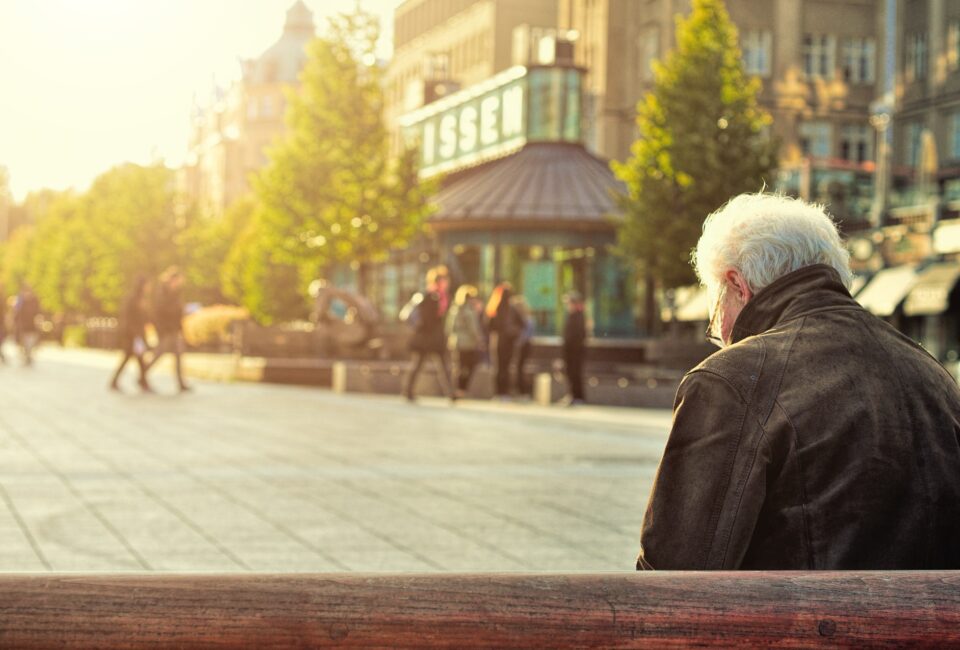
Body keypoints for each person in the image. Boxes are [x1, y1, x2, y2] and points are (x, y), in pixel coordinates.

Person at [637, 193, 960, 571]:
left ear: (737, 286)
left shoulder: (732, 380)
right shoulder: (931, 372)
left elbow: (675, 573)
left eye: (714, 317)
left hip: (800, 628)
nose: (721, 334)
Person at [401, 266, 455, 402]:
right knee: (419, 364)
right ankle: (407, 391)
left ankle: (451, 393)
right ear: (438, 282)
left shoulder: (442, 297)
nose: (446, 283)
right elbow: (427, 318)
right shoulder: (429, 296)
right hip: (426, 337)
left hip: (435, 337)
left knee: (443, 365)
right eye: (444, 280)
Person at [145, 266, 191, 392]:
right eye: (177, 281)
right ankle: (143, 374)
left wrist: (181, 330)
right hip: (166, 331)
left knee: (178, 356)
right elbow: (159, 313)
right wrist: (162, 330)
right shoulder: (162, 293)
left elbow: (178, 313)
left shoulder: (176, 293)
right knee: (158, 354)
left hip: (174, 330)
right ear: (171, 279)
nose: (178, 284)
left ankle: (181, 383)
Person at [109, 276, 153, 392]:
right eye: (148, 285)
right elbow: (129, 318)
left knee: (136, 358)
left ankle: (141, 382)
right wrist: (134, 334)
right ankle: (142, 382)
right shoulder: (133, 299)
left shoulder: (141, 298)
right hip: (133, 335)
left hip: (137, 334)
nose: (149, 287)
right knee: (136, 358)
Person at [445, 284, 485, 397]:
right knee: (468, 366)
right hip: (468, 343)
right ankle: (461, 390)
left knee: (458, 366)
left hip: (456, 342)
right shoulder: (469, 310)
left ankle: (456, 389)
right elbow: (474, 328)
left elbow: (449, 328)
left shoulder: (454, 309)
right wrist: (480, 340)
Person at [486, 282, 521, 398]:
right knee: (505, 366)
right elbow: (522, 324)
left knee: (499, 366)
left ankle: (498, 392)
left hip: (498, 341)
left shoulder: (494, 307)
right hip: (508, 341)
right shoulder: (511, 308)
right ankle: (504, 391)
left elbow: (488, 326)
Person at [560, 291, 587, 405]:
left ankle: (577, 396)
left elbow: (577, 336)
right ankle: (573, 395)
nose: (568, 306)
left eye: (569, 303)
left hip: (575, 351)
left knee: (575, 372)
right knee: (570, 373)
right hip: (570, 350)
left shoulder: (578, 317)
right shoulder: (572, 316)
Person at [511, 294, 534, 396]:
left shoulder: (526, 319)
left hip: (523, 345)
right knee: (519, 367)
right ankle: (520, 389)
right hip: (525, 345)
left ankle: (522, 389)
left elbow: (526, 334)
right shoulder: (526, 318)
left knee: (520, 367)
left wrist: (517, 343)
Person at [13, 284, 40, 366]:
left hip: (32, 325)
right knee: (24, 342)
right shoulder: (20, 301)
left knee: (31, 342)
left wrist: (38, 320)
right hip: (23, 325)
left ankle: (28, 354)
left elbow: (38, 312)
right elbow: (16, 312)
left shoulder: (34, 300)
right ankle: (26, 354)